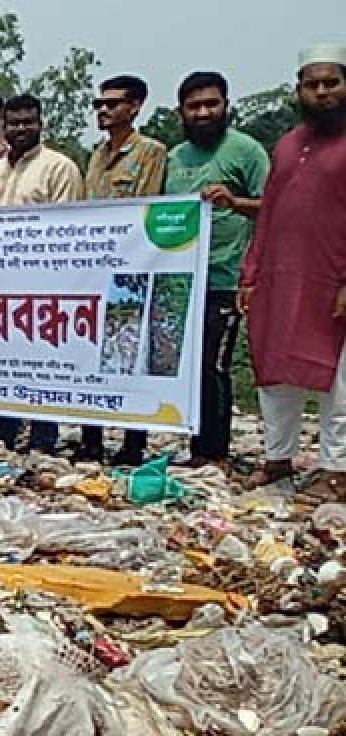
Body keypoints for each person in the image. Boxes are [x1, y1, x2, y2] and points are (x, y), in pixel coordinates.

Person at [241, 44, 346, 499]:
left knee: (337, 379)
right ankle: (278, 459)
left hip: (334, 280)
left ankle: (336, 469)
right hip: (280, 279)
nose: (322, 92)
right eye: (312, 84)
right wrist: (252, 272)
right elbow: (269, 213)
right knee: (275, 370)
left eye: (331, 82)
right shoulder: (287, 144)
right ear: (298, 90)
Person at [165, 71, 269, 468]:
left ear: (226, 105)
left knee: (214, 365)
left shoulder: (247, 151)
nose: (204, 112)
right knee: (186, 368)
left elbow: (274, 208)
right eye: (195, 106)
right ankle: (194, 447)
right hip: (179, 282)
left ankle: (214, 454)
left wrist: (234, 202)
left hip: (226, 278)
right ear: (182, 113)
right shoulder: (173, 159)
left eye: (211, 104)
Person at [0, 94, 84, 454]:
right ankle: (1, 434)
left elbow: (69, 228)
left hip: (43, 284)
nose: (21, 129)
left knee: (41, 363)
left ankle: (42, 438)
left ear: (40, 124)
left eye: (28, 122)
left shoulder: (60, 168)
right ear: (5, 126)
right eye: (15, 123)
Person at [79, 75, 169, 465]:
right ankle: (91, 438)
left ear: (135, 107)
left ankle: (134, 441)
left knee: (132, 353)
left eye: (113, 104)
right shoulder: (94, 156)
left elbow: (146, 208)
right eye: (99, 104)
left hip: (134, 268)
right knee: (88, 353)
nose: (104, 111)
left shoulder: (150, 152)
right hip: (94, 270)